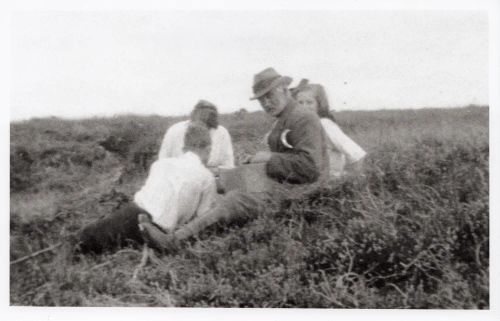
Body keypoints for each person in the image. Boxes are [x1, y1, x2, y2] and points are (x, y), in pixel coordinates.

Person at [138, 67, 331, 251]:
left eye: (269, 96)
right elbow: (290, 161)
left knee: (235, 199)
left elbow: (310, 168)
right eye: (261, 99)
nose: (266, 103)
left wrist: (268, 158)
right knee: (222, 185)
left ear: (283, 89)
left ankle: (174, 241)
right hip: (288, 188)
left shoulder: (303, 117)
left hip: (302, 193)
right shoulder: (287, 118)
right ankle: (168, 225)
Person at [76, 121, 218, 254]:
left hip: (133, 214)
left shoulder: (161, 164)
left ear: (184, 148)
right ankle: (150, 236)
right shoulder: (207, 178)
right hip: (162, 229)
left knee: (86, 240)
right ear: (208, 149)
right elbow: (202, 218)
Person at [292, 80, 366, 178]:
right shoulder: (301, 127)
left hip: (330, 185)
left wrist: (354, 181)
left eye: (309, 102)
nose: (304, 107)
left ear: (319, 105)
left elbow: (357, 154)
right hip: (310, 183)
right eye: (300, 103)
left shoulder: (324, 125)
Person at [158, 100, 234, 170]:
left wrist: (211, 172)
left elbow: (229, 166)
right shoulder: (174, 130)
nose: (203, 129)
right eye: (200, 124)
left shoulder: (222, 132)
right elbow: (162, 163)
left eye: (207, 127)